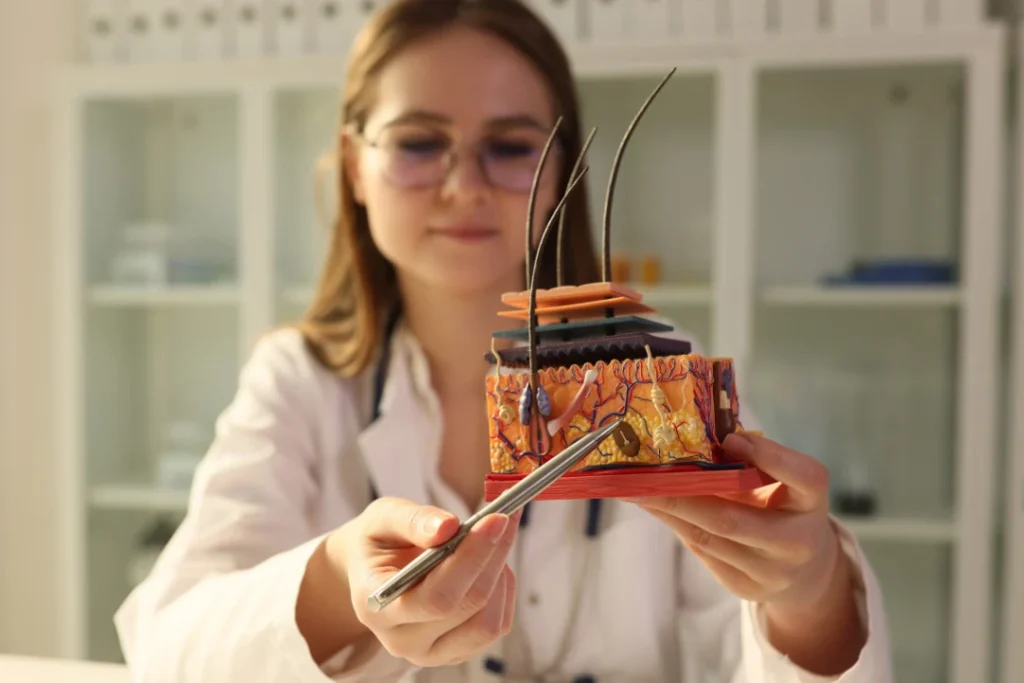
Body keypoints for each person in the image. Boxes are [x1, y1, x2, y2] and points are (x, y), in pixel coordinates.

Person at [114, 0, 894, 681]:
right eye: (419, 142)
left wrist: (811, 591)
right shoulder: (299, 383)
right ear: (355, 166)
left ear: (559, 172)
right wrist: (334, 583)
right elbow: (166, 648)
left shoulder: (658, 384)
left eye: (512, 146)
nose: (465, 186)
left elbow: (763, 652)